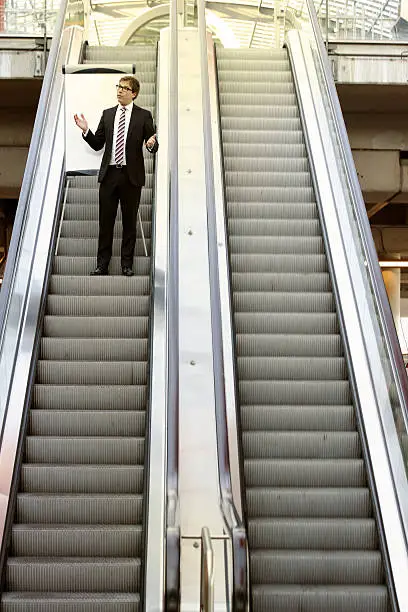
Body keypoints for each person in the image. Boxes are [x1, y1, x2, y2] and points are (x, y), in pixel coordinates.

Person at [74, 75, 158, 277]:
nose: (120, 91)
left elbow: (152, 142)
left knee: (129, 223)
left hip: (131, 177)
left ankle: (126, 265)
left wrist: (152, 145)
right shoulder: (108, 114)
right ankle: (102, 265)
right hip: (110, 176)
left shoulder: (143, 116)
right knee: (106, 222)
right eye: (118, 87)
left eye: (125, 88)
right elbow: (98, 145)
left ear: (134, 94)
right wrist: (87, 131)